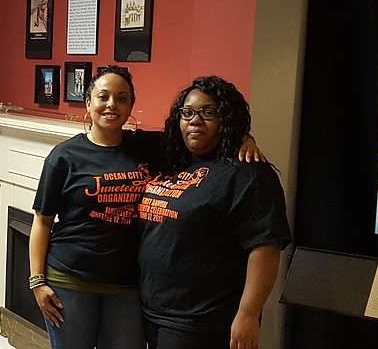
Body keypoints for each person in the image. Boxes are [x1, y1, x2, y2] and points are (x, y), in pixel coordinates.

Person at [29, 66, 263, 349]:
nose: (112, 104)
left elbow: (196, 138)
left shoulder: (150, 148)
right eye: (103, 97)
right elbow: (42, 222)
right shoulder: (63, 157)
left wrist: (242, 138)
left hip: (127, 285)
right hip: (70, 280)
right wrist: (37, 281)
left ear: (130, 107)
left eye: (122, 98)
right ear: (88, 102)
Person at [138, 76, 291, 349]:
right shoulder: (172, 158)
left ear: (226, 119)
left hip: (202, 322)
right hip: (151, 311)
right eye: (187, 113)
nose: (195, 120)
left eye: (208, 113)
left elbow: (266, 249)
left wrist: (248, 314)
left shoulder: (249, 174)